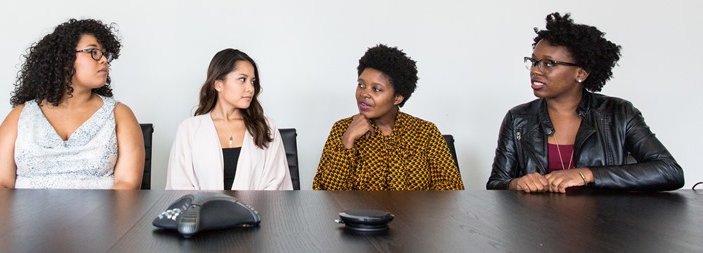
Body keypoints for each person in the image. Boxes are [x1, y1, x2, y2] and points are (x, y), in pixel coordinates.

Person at [487, 13, 684, 193]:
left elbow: (669, 171)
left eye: (548, 63)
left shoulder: (619, 113)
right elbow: (496, 183)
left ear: (580, 73)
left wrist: (587, 174)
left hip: (606, 225)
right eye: (534, 61)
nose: (535, 71)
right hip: (537, 226)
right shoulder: (518, 118)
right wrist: (515, 183)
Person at [0, 18, 143, 189]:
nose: (104, 59)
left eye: (105, 54)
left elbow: (127, 186)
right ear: (65, 59)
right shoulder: (21, 115)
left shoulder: (120, 114)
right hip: (26, 216)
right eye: (93, 52)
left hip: (102, 215)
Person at [313, 44, 464, 191]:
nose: (363, 94)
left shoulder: (425, 132)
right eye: (361, 85)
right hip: (360, 216)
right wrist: (348, 140)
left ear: (398, 97)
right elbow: (325, 195)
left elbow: (451, 191)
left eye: (376, 89)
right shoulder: (342, 129)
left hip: (414, 216)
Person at [166, 48, 292, 190]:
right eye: (242, 79)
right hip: (202, 211)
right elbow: (179, 186)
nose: (250, 88)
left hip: (257, 211)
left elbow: (276, 185)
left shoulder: (266, 127)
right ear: (218, 84)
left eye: (252, 81)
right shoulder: (189, 129)